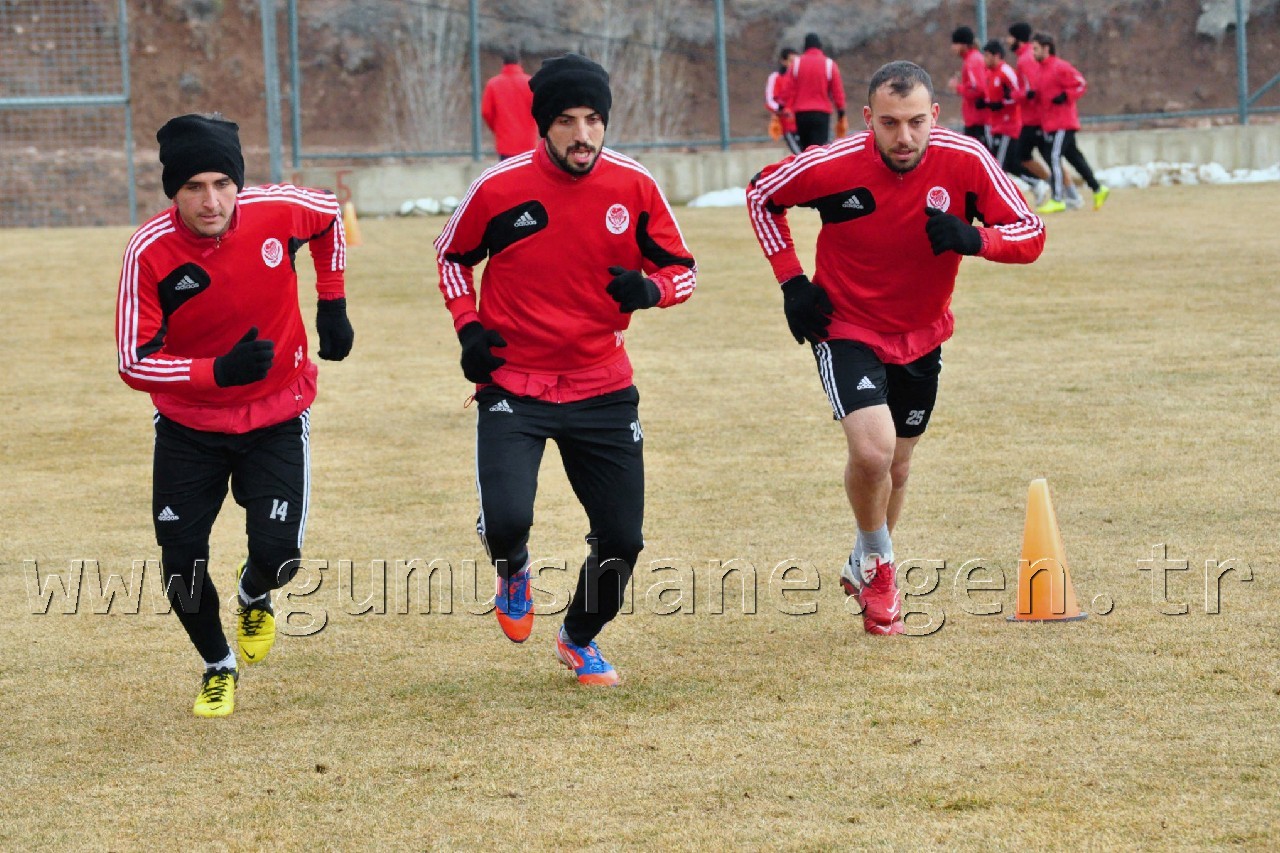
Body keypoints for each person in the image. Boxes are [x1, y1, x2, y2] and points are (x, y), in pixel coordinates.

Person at [745, 61, 1044, 635]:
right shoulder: (832, 164)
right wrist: (792, 282)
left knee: (899, 468)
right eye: (889, 123)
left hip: (923, 331)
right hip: (847, 327)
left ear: (935, 115)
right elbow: (762, 194)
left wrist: (975, 237)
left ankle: (864, 560)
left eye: (915, 122)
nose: (903, 137)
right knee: (873, 452)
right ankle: (882, 570)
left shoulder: (967, 159)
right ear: (867, 119)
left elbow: (1031, 233)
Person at [434, 54, 696, 685]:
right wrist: (469, 329)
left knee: (622, 539)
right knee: (507, 522)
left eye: (594, 120)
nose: (583, 135)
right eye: (567, 121)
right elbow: (451, 258)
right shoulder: (498, 187)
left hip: (601, 384)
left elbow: (682, 270)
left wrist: (651, 290)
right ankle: (513, 568)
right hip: (514, 383)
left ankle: (579, 638)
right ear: (543, 125)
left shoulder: (634, 186)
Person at [115, 113, 354, 717]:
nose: (211, 201)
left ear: (238, 183)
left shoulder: (278, 209)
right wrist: (216, 371)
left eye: (223, 184)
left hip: (277, 414)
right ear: (173, 192)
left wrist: (331, 303)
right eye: (193, 187)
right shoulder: (149, 251)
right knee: (180, 564)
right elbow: (133, 361)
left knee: (279, 558)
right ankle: (218, 664)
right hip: (189, 428)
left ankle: (254, 593)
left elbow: (330, 214)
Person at [1032, 33, 1110, 212]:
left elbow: (1081, 84)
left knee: (1053, 156)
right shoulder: (1040, 70)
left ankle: (1058, 198)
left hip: (1063, 122)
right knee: (1074, 157)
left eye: (1035, 49)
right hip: (1050, 123)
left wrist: (1066, 95)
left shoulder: (1060, 66)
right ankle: (1098, 188)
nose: (1033, 53)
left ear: (1046, 48)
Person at [1006, 22, 1060, 206]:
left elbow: (1032, 89)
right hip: (1032, 118)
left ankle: (1064, 191)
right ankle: (1061, 190)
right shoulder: (1024, 57)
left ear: (1018, 38)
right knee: (1037, 157)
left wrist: (1014, 95)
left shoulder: (1026, 59)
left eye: (1010, 36)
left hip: (1034, 119)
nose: (1008, 40)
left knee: (1043, 157)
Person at [787, 33, 847, 149]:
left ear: (805, 46)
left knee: (805, 151)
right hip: (822, 114)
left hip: (801, 114)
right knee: (820, 150)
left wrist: (784, 109)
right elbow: (837, 91)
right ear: (820, 46)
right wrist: (841, 113)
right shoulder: (829, 64)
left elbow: (788, 89)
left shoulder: (796, 64)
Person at [481, 52, 538, 160]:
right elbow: (539, 108)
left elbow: (486, 112)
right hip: (528, 142)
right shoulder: (531, 83)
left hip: (505, 142)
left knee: (507, 170)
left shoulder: (493, 84)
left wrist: (497, 128)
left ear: (503, 63)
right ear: (519, 63)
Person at [948, 26, 989, 147]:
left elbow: (979, 89)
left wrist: (958, 88)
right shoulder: (971, 59)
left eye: (955, 43)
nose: (953, 47)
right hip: (974, 119)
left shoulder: (972, 61)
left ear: (964, 45)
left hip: (978, 120)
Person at [765, 47, 801, 154]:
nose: (794, 64)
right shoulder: (776, 77)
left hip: (806, 122)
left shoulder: (801, 77)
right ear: (783, 61)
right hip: (789, 124)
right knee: (800, 155)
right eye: (791, 61)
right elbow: (770, 100)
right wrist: (783, 110)